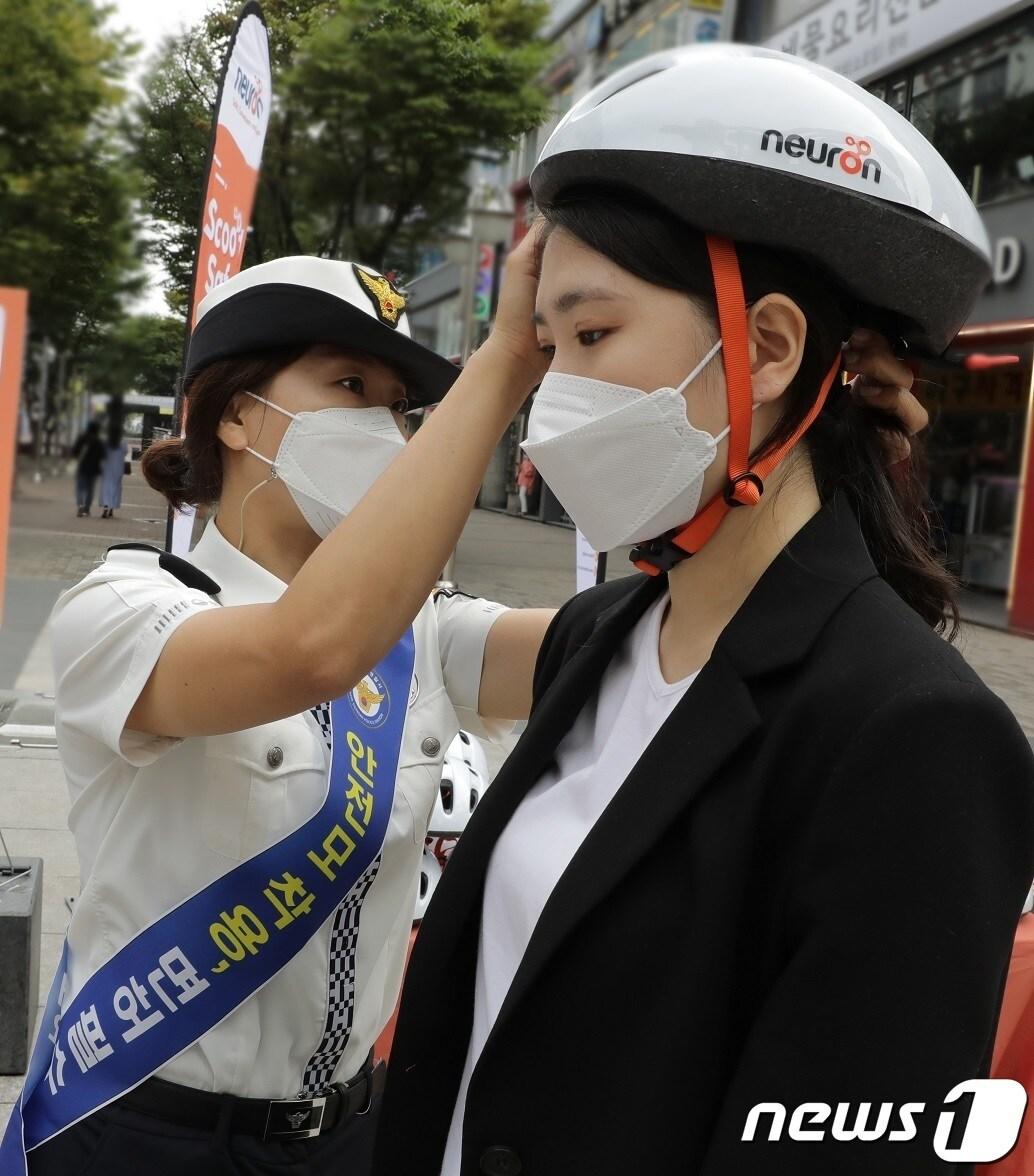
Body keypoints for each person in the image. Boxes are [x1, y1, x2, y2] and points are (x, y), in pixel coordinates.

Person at [371, 46, 1034, 1176]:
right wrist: (495, 360)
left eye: (588, 336)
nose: (553, 398)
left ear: (766, 348)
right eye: (546, 350)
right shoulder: (600, 638)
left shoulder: (911, 736)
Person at [8, 253, 555, 1176]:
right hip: (149, 1131)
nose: (384, 428)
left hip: (351, 1134)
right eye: (349, 385)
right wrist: (503, 362)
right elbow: (305, 652)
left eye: (397, 406)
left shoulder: (426, 626)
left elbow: (631, 648)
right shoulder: (126, 608)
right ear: (234, 412)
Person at [71, 420, 105, 517]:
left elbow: (74, 452)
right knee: (90, 489)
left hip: (82, 467)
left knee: (80, 488)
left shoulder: (82, 438)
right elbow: (103, 455)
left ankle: (80, 505)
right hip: (93, 470)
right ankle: (87, 508)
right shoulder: (98, 442)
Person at [99, 415, 128, 519]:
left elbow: (101, 453)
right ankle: (111, 508)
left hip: (107, 467)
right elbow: (125, 452)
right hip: (118, 468)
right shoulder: (122, 442)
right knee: (115, 488)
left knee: (106, 487)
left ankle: (106, 507)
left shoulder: (106, 441)